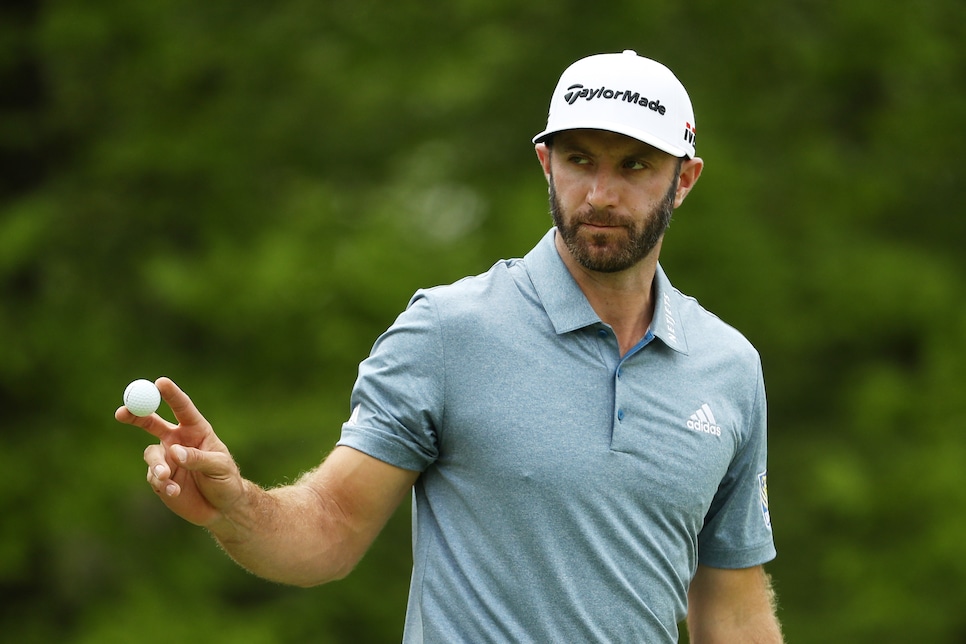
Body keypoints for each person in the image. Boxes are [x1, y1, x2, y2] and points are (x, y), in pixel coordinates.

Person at [116, 50, 783, 642]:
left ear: (685, 179)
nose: (601, 194)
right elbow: (329, 529)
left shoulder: (726, 368)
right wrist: (236, 508)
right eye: (580, 160)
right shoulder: (448, 330)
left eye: (635, 165)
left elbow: (732, 613)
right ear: (546, 163)